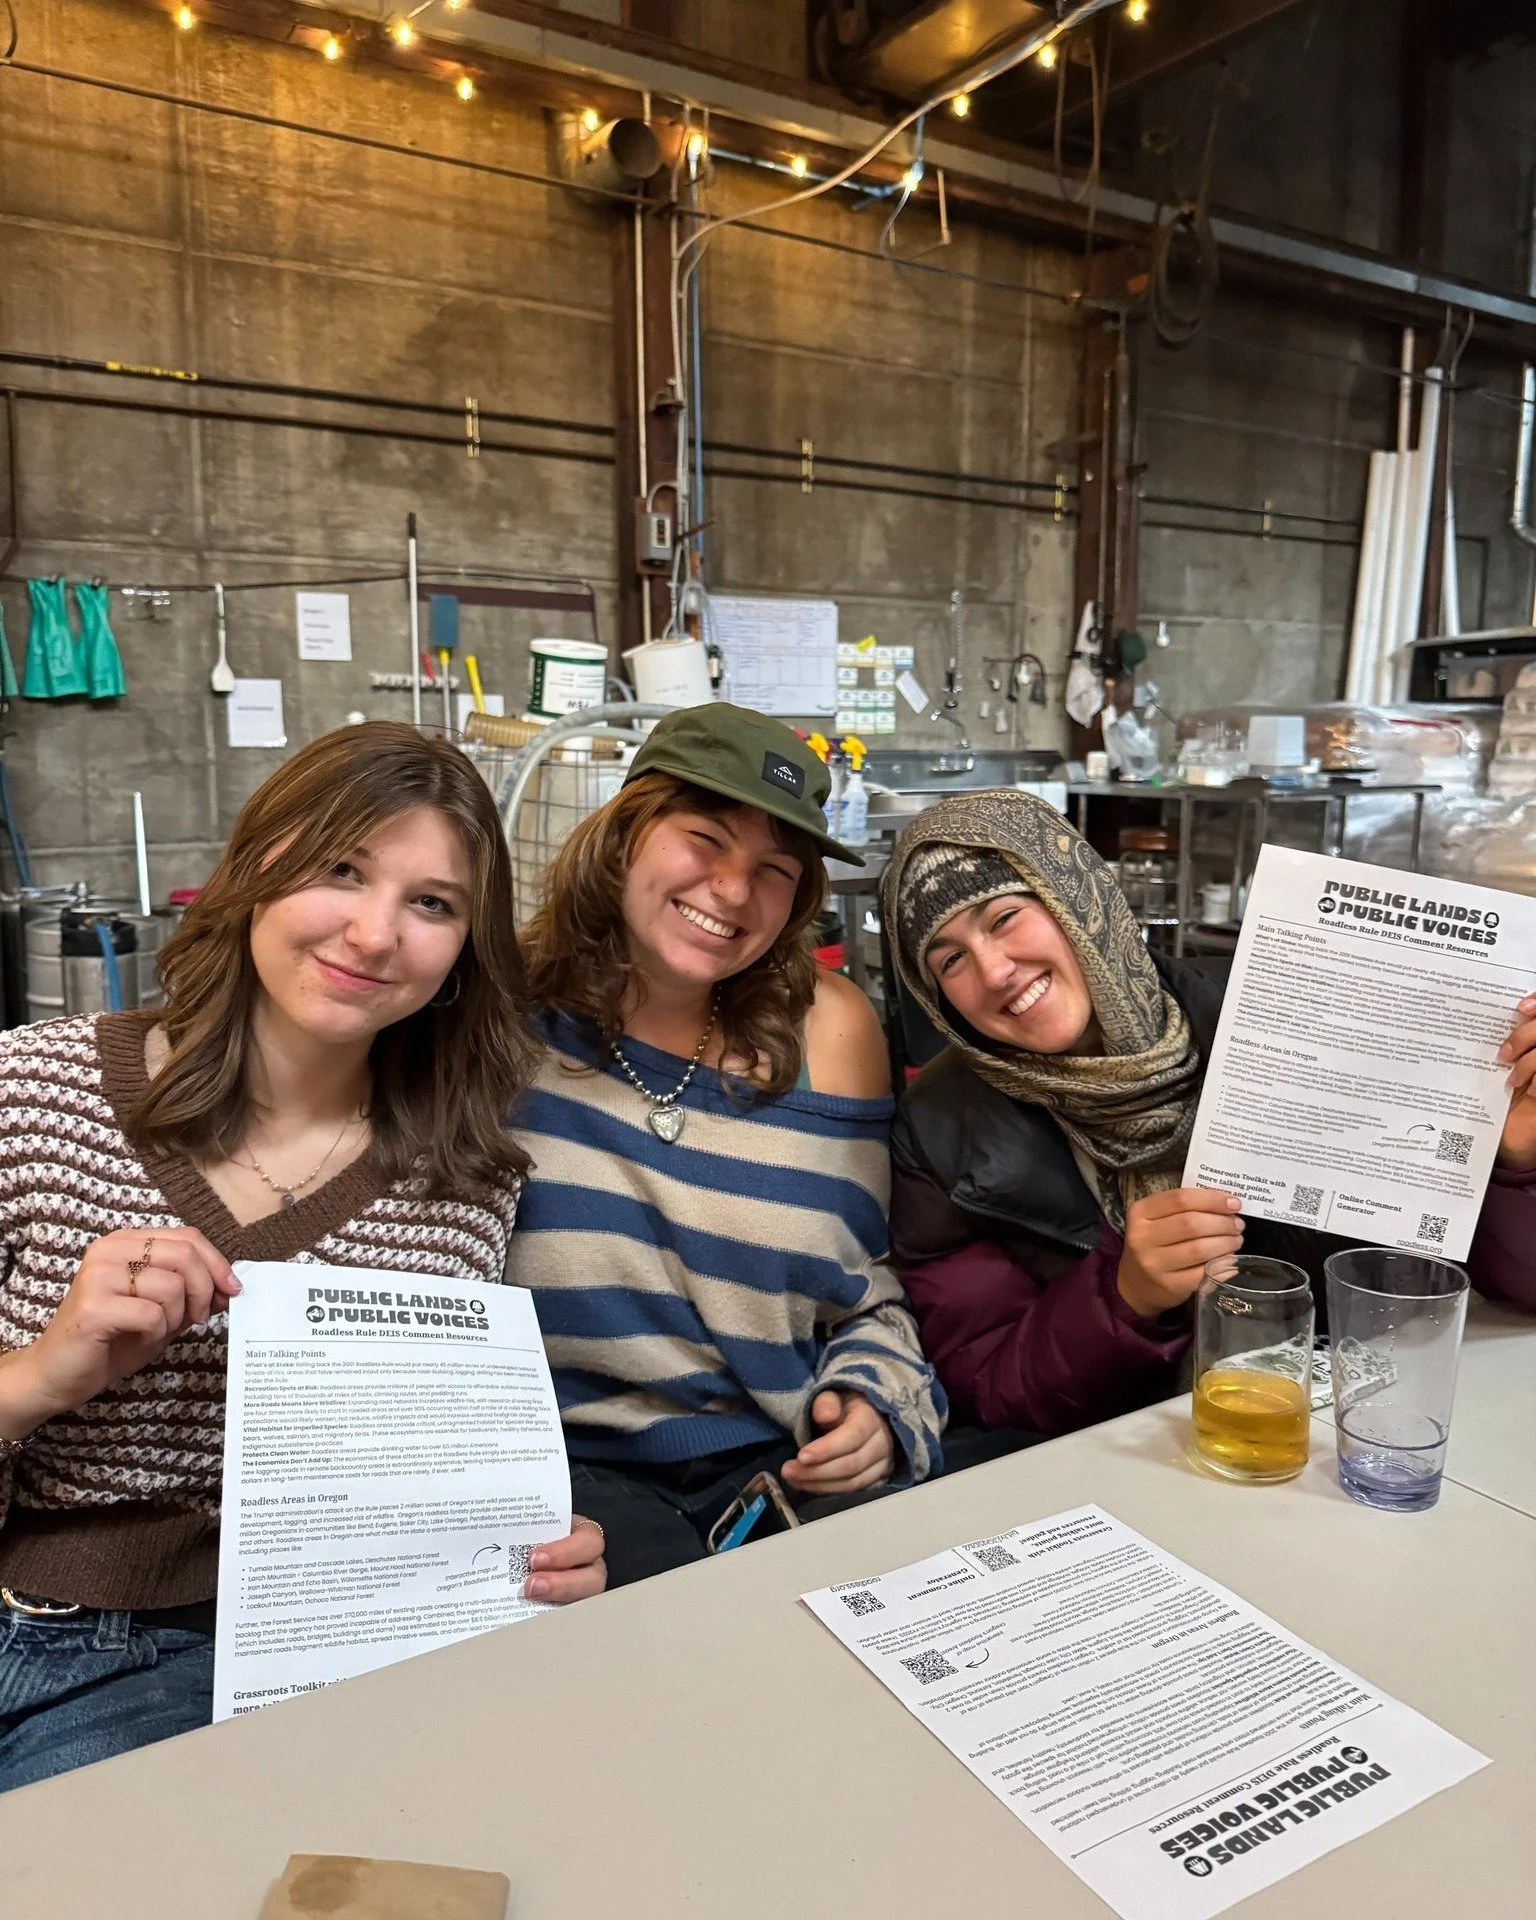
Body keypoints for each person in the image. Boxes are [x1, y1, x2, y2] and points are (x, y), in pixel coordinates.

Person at [0, 722, 605, 1793]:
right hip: (54, 1638)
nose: (376, 935)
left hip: (333, 1657)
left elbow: (425, 1492)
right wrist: (44, 1373)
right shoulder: (31, 1094)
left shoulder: (463, 1185)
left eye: (433, 903)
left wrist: (525, 1550)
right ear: (258, 867)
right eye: (342, 869)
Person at [881, 790, 1536, 1438]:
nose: (994, 970)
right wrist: (1124, 1297)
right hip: (1133, 1468)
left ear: (1075, 895)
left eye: (1004, 918)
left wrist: (1508, 1161)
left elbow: (1480, 1283)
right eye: (951, 960)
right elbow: (986, 1390)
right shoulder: (940, 1131)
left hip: (1356, 1432)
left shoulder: (1270, 1018)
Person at [510, 703, 945, 1586]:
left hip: (780, 1481)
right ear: (624, 832)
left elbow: (866, 1294)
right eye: (705, 839)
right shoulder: (494, 1021)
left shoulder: (832, 1033)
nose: (734, 892)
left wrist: (874, 1405)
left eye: (774, 870)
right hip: (557, 1491)